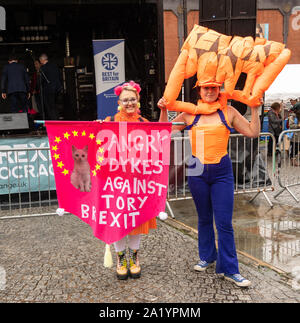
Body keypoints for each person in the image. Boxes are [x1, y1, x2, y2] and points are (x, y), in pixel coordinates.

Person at [158, 81, 261, 288]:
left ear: (219, 90)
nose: (210, 91)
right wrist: (163, 110)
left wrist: (254, 109)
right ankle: (207, 256)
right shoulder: (189, 113)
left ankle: (230, 269)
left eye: (214, 88)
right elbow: (164, 132)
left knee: (224, 222)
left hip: (222, 171)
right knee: (204, 218)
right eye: (206, 88)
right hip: (197, 169)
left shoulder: (228, 111)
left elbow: (252, 132)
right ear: (199, 90)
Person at [103, 81, 155, 280]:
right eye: (125, 100)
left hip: (138, 182)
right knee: (118, 221)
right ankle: (120, 259)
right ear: (119, 102)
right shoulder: (109, 121)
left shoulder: (145, 123)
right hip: (116, 182)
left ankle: (134, 259)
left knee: (135, 221)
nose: (129, 103)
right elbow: (98, 144)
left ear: (138, 100)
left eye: (132, 99)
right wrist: (95, 127)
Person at [39, 53, 62, 120]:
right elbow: (59, 76)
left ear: (42, 60)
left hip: (48, 89)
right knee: (55, 105)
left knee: (49, 106)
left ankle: (53, 120)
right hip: (57, 89)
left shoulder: (43, 68)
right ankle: (57, 118)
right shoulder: (54, 66)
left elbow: (41, 80)